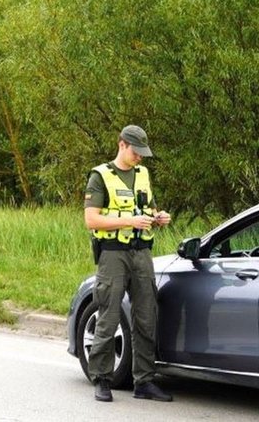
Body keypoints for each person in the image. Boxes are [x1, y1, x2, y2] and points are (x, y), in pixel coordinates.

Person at [83, 124, 173, 403]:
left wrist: (158, 217)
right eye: (136, 152)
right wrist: (129, 221)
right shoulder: (101, 176)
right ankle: (101, 378)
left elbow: (148, 208)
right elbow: (91, 220)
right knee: (108, 315)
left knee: (147, 316)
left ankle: (144, 381)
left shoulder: (143, 174)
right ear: (122, 144)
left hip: (141, 252)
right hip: (113, 253)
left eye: (143, 153)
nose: (140, 158)